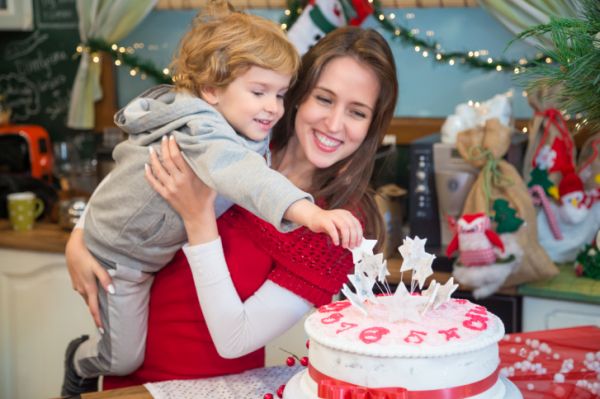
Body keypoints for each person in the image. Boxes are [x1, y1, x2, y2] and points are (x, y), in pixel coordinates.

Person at [64, 26, 398, 391]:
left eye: (357, 112)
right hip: (130, 380)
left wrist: (198, 219)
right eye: (324, 98)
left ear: (372, 126)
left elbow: (234, 339)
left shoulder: (335, 227)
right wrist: (79, 237)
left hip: (215, 389)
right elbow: (137, 171)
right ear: (299, 95)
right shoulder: (242, 135)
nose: (334, 124)